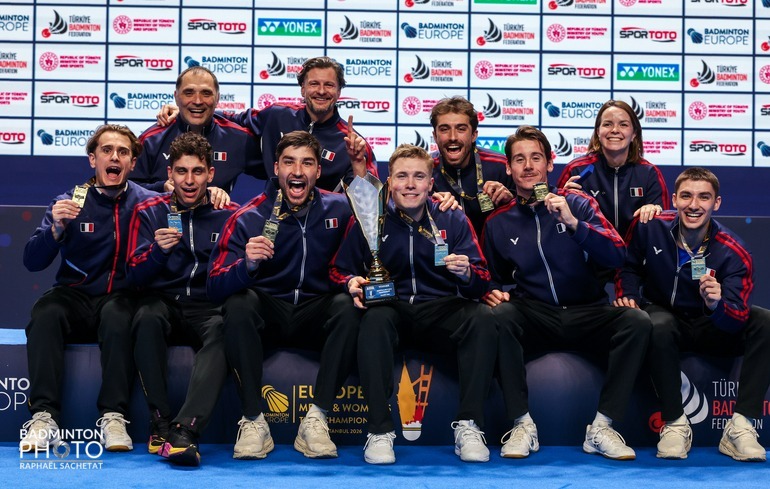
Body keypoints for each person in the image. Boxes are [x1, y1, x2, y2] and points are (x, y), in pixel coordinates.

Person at [482, 125, 651, 461]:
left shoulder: (579, 202)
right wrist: (489, 291)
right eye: (519, 159)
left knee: (637, 322)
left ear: (550, 163)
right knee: (497, 315)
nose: (528, 166)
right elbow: (489, 276)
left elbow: (618, 254)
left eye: (536, 158)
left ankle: (602, 427)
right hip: (536, 313)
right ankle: (521, 425)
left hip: (588, 310)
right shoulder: (498, 221)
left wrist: (576, 225)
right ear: (509, 168)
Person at [330, 144, 497, 465]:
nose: (410, 184)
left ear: (431, 184)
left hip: (440, 309)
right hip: (391, 309)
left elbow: (482, 280)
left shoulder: (453, 217)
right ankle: (379, 432)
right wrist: (350, 282)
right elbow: (338, 269)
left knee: (481, 318)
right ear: (389, 182)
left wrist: (466, 274)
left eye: (419, 177)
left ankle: (470, 426)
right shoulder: (370, 218)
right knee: (374, 319)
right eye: (402, 176)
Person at [207, 131, 361, 460]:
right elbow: (214, 285)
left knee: (348, 307)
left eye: (307, 163)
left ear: (318, 172)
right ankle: (253, 421)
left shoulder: (341, 209)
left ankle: (317, 419)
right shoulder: (249, 216)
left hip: (314, 312)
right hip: (269, 315)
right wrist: (246, 266)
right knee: (238, 303)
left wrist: (439, 201)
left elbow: (389, 214)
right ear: (276, 168)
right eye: (289, 162)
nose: (297, 171)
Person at [615, 167, 770, 462]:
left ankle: (741, 427)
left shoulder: (734, 251)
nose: (694, 205)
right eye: (686, 196)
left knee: (765, 322)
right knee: (657, 322)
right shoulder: (650, 227)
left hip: (712, 325)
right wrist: (630, 296)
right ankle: (674, 423)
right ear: (674, 199)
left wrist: (717, 305)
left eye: (704, 197)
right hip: (666, 320)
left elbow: (737, 314)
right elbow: (628, 265)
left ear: (717, 203)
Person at [20, 124, 157, 453]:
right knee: (45, 312)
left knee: (118, 315)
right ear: (92, 160)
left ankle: (113, 417)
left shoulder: (149, 203)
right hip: (76, 294)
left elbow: (187, 198)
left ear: (133, 163)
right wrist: (55, 228)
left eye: (123, 152)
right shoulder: (69, 202)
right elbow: (32, 261)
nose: (115, 157)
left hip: (121, 296)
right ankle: (43, 418)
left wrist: (215, 192)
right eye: (107, 151)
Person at [126, 132, 239, 466]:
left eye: (198, 171)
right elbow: (132, 275)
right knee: (145, 316)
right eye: (181, 171)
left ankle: (185, 429)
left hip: (208, 305)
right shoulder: (148, 211)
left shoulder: (228, 212)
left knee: (224, 330)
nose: (189, 181)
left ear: (211, 174)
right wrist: (157, 254)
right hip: (162, 302)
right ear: (170, 175)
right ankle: (159, 421)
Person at [157, 56, 377, 192]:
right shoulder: (276, 115)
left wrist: (358, 162)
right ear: (302, 89)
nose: (321, 91)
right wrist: (185, 112)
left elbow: (369, 201)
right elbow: (228, 120)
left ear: (339, 91)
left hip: (323, 228)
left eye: (329, 85)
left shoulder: (352, 142)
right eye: (314, 84)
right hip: (272, 220)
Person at [132, 66, 263, 204]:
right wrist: (160, 188)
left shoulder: (239, 139)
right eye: (188, 93)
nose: (198, 101)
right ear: (176, 97)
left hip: (217, 224)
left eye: (206, 93)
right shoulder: (151, 139)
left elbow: (279, 172)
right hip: (161, 223)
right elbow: (128, 188)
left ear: (217, 98)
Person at [556, 99, 669, 239]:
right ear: (598, 131)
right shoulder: (576, 170)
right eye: (607, 124)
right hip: (588, 257)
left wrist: (655, 211)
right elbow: (557, 225)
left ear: (634, 133)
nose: (615, 130)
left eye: (623, 125)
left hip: (637, 259)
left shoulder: (649, 173)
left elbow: (662, 229)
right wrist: (566, 200)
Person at [429, 96, 514, 236]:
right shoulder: (424, 171)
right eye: (444, 129)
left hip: (493, 254)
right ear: (435, 135)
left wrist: (511, 202)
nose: (452, 137)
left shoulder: (501, 166)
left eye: (461, 129)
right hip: (444, 254)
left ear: (474, 135)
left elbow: (530, 215)